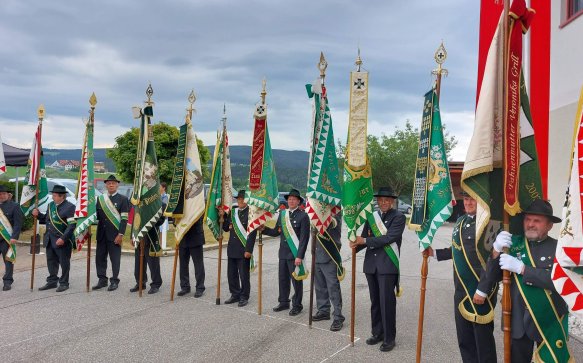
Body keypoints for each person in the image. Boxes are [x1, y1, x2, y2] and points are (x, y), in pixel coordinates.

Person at [475, 199, 572, 362]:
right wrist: (496, 250)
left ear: (549, 225)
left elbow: (560, 280)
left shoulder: (559, 249)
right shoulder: (512, 244)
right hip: (517, 318)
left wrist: (523, 269)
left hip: (549, 318)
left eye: (537, 221)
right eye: (528, 219)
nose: (531, 224)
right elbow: (492, 276)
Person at [425, 192, 498, 362]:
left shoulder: (491, 224)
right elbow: (458, 249)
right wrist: (434, 253)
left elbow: (492, 260)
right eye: (466, 199)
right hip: (460, 289)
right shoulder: (460, 221)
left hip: (479, 290)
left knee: (483, 341)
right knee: (465, 339)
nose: (469, 202)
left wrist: (483, 289)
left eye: (473, 198)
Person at [350, 187, 405, 352]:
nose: (383, 202)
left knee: (386, 303)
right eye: (381, 200)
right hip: (371, 266)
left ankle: (389, 338)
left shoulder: (399, 217)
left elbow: (389, 238)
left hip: (387, 266)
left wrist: (364, 240)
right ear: (377, 201)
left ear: (392, 201)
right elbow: (364, 237)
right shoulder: (371, 216)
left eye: (387, 200)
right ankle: (377, 333)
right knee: (375, 302)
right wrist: (355, 245)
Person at [261, 188, 310, 316]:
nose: (291, 201)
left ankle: (297, 305)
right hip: (283, 253)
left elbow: (304, 239)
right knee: (283, 279)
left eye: (294, 199)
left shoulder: (303, 216)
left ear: (299, 201)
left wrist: (300, 256)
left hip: (295, 255)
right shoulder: (283, 215)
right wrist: (263, 229)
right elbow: (276, 232)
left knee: (296, 281)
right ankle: (283, 302)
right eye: (289, 199)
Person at [32, 185, 76, 292]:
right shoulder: (50, 205)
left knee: (64, 262)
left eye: (55, 195)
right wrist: (37, 215)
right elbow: (46, 219)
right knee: (51, 261)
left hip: (62, 240)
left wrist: (63, 238)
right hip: (49, 239)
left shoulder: (70, 207)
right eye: (53, 195)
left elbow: (71, 225)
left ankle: (64, 283)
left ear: (62, 196)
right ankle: (52, 281)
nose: (52, 197)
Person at [93, 175, 129, 291]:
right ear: (106, 185)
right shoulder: (100, 199)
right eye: (109, 183)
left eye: (113, 183)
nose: (111, 185)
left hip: (115, 235)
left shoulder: (123, 199)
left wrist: (121, 234)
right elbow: (97, 216)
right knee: (100, 258)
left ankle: (114, 280)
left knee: (115, 259)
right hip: (101, 234)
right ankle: (102, 279)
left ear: (117, 184)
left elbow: (124, 219)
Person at [221, 190, 257, 307]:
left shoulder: (251, 213)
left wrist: (249, 250)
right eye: (239, 198)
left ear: (247, 200)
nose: (240, 200)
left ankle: (244, 296)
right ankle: (235, 294)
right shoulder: (233, 212)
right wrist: (222, 216)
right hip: (232, 248)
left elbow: (252, 233)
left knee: (243, 275)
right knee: (231, 274)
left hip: (243, 249)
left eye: (242, 198)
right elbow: (226, 228)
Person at [312, 212, 345, 331]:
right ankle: (323, 310)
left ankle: (338, 316)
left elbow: (331, 223)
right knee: (319, 286)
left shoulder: (335, 213)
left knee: (333, 287)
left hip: (329, 256)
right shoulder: (315, 212)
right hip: (316, 255)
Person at [131, 209, 166, 295]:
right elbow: (135, 219)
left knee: (153, 263)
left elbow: (161, 220)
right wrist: (131, 236)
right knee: (138, 263)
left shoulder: (158, 203)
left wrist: (148, 219)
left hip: (151, 237)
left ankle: (156, 284)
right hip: (138, 237)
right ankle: (140, 283)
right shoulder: (139, 202)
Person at [0, 185, 24, 291]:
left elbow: (18, 224)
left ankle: (7, 281)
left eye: (4, 194)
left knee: (8, 260)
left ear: (8, 195)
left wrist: (14, 237)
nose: (2, 196)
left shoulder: (14, 206)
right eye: (0, 194)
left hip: (7, 239)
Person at [176, 217, 206, 298]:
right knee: (183, 265)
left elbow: (199, 216)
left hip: (195, 236)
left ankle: (200, 287)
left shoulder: (198, 203)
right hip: (183, 237)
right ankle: (185, 287)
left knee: (198, 264)